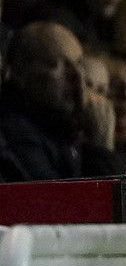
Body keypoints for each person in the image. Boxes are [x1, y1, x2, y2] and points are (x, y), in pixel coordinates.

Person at [0, 20, 117, 180]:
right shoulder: (17, 135)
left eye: (78, 64)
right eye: (57, 65)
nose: (77, 76)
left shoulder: (62, 126)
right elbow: (73, 202)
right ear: (20, 72)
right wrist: (100, 146)